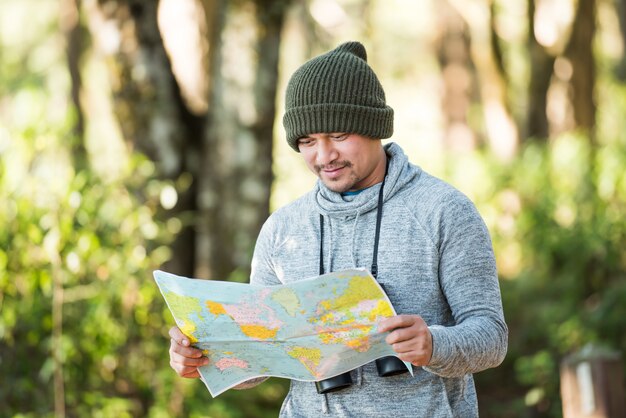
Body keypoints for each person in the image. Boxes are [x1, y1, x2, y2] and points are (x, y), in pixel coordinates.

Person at [168, 41, 508, 417]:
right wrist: (204, 359)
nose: (323, 155)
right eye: (308, 141)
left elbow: (491, 336)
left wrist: (433, 344)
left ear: (374, 126)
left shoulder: (443, 210)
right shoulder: (283, 229)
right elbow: (260, 361)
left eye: (339, 135)